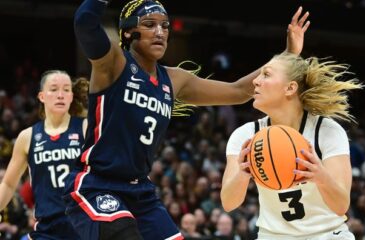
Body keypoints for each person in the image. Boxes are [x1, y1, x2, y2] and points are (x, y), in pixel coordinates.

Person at [63, 0, 310, 239]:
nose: (160, 32)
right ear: (128, 33)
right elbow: (85, 22)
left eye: (165, 25)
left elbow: (238, 91)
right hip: (97, 184)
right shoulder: (114, 63)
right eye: (149, 24)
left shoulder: (173, 79)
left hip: (140, 191)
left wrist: (287, 55)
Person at [221, 51, 364, 239]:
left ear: (290, 88)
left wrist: (321, 176)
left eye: (266, 74)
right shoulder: (245, 135)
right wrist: (242, 174)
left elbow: (341, 206)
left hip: (327, 234)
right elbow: (228, 203)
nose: (255, 81)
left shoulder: (326, 131)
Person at [0, 70, 88, 239]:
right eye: (54, 89)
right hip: (47, 230)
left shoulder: (86, 128)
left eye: (66, 90)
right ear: (41, 96)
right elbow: (9, 185)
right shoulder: (27, 137)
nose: (60, 95)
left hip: (84, 226)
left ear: (71, 96)